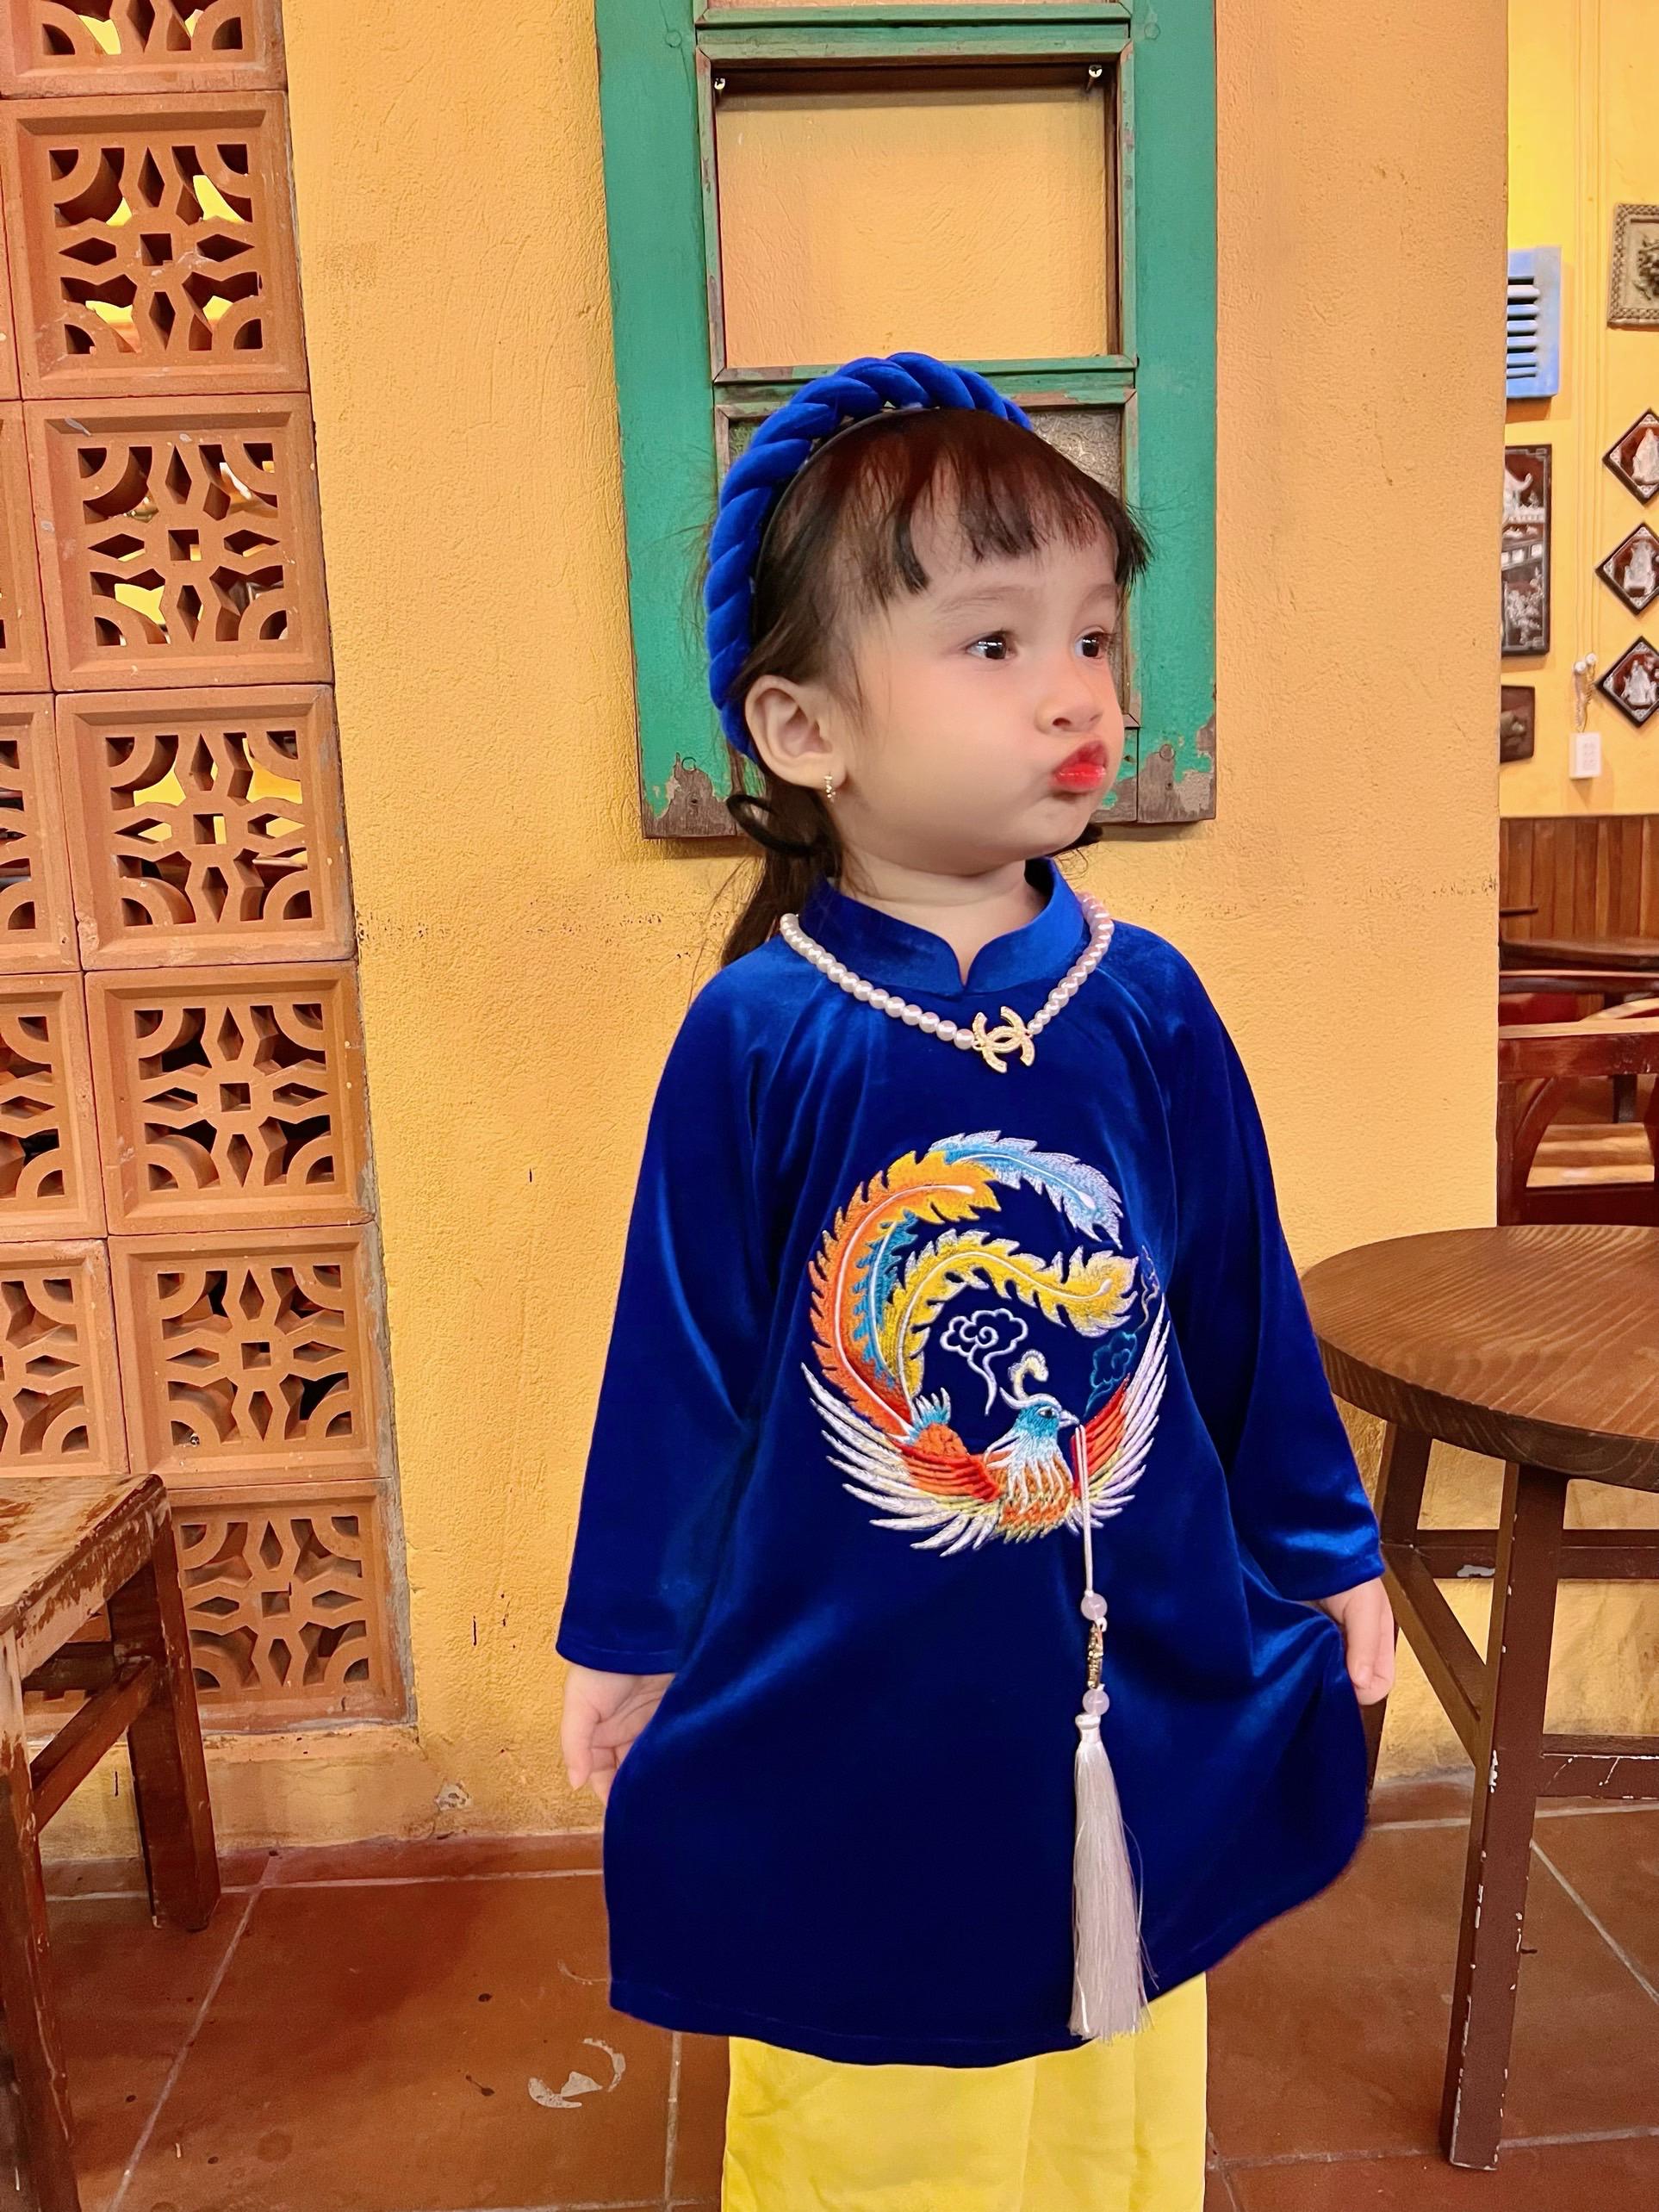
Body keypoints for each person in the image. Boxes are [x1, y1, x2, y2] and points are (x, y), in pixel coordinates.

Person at [557, 351, 1395, 2212]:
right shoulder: (762, 1033)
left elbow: (1237, 1309)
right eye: (995, 644)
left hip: (1132, 1657)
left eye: (1093, 636)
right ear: (804, 730)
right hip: (859, 1683)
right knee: (870, 2071)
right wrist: (630, 1630)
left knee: (1116, 2034)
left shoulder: (1146, 1003)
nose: (1078, 691)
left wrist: (1324, 1551)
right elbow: (681, 1361)